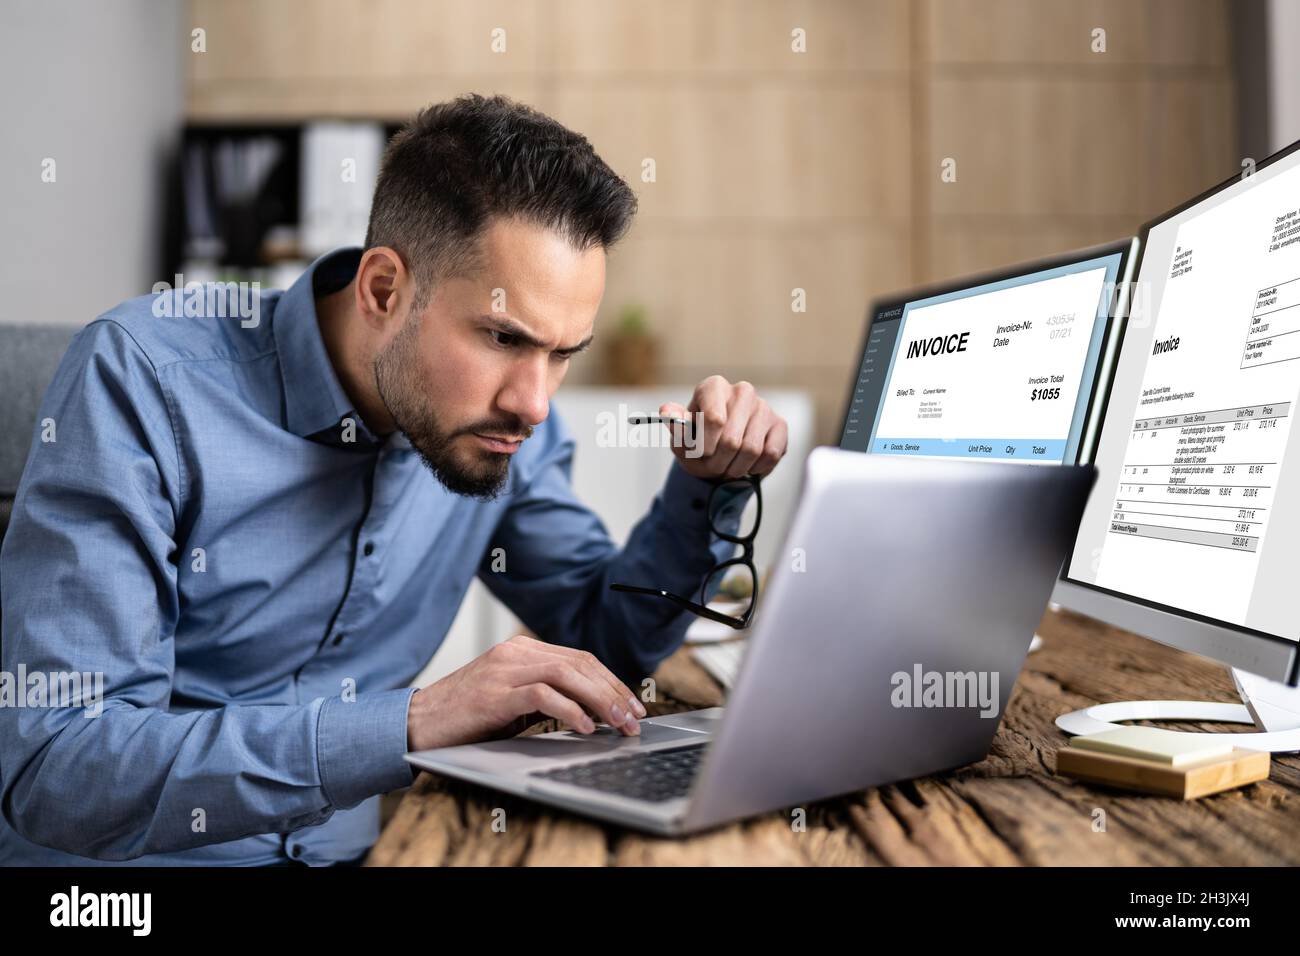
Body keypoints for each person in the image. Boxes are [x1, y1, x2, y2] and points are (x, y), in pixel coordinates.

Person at [0, 94, 788, 866]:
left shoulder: (502, 429)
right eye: (504, 337)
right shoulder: (143, 380)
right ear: (384, 289)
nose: (535, 403)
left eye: (562, 353)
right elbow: (57, 768)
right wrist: (408, 724)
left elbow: (605, 646)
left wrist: (707, 488)